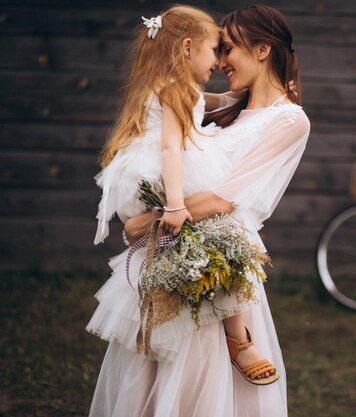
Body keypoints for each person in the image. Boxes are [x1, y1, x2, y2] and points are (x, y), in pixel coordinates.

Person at [88, 5, 309, 417]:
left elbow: (223, 199)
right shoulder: (222, 108)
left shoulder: (289, 120)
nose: (220, 61)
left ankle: (238, 344)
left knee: (201, 382)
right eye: (217, 49)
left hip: (217, 262)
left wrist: (149, 222)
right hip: (178, 251)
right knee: (153, 374)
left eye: (229, 49)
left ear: (262, 50)